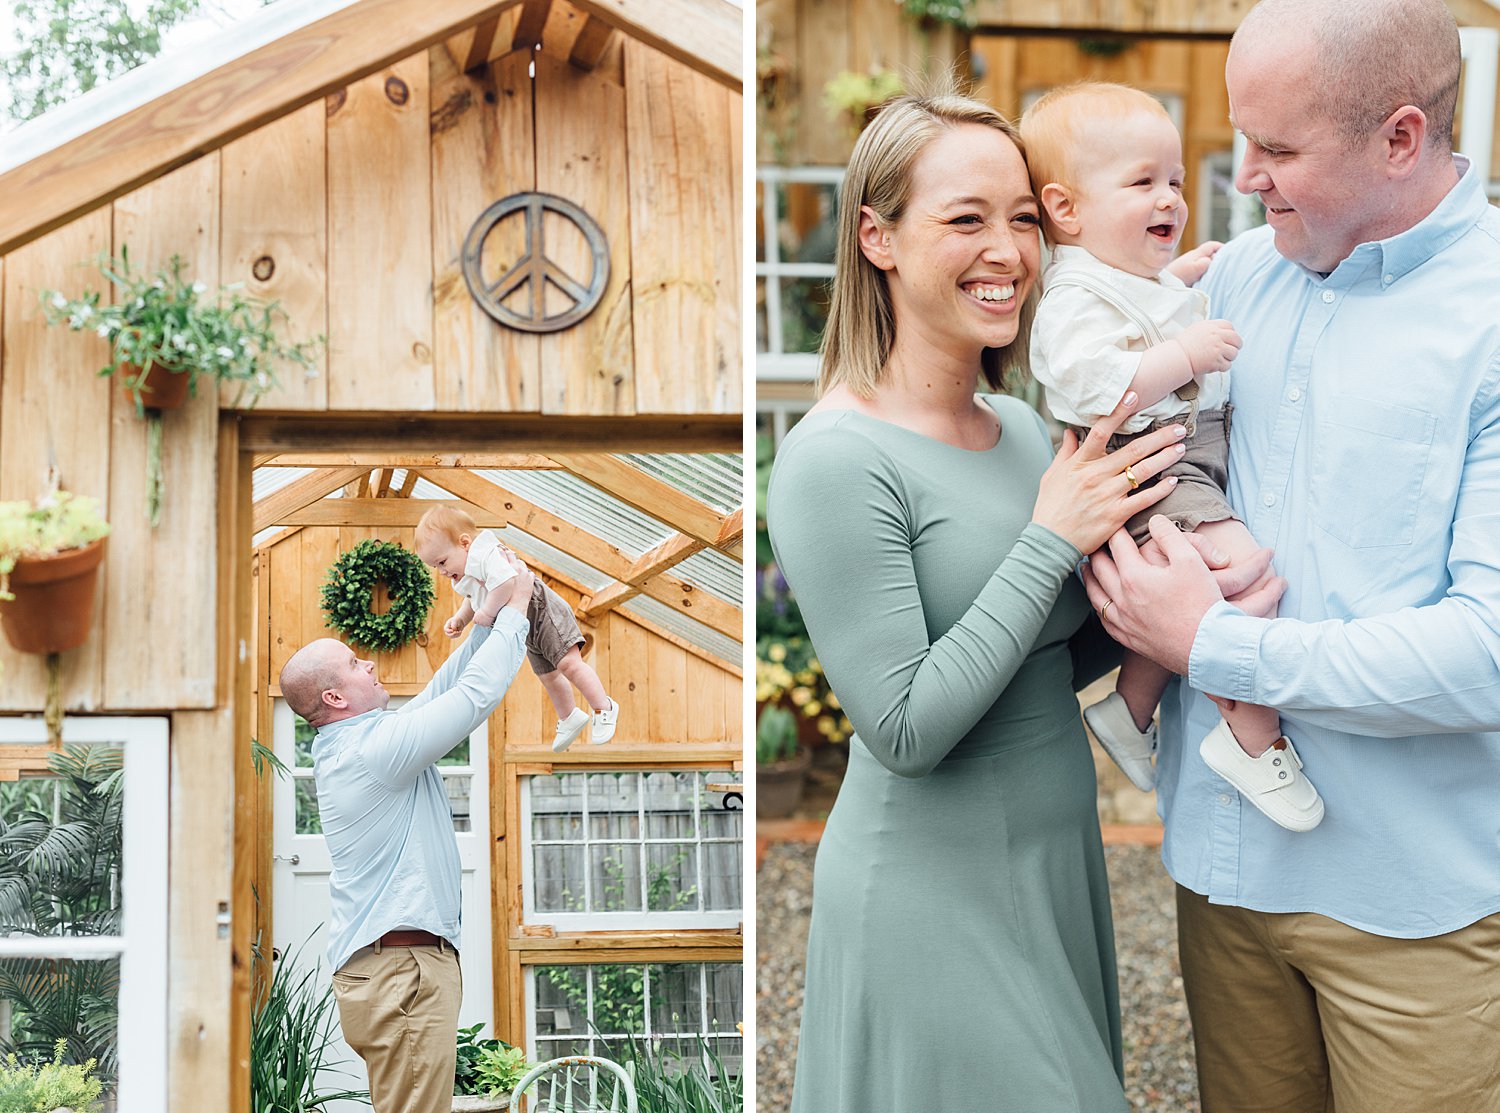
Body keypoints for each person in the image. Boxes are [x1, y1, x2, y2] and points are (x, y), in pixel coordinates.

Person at [766, 86, 1274, 1111]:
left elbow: (1053, 659)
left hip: (1052, 867)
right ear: (877, 237)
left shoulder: (1026, 429)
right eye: (965, 218)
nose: (1008, 250)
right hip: (926, 894)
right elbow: (906, 727)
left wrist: (1186, 598)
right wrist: (1050, 540)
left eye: (1024, 220)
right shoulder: (834, 458)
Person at [1081, 1, 1500, 1109]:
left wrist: (1210, 646)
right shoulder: (1231, 286)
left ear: (1401, 138)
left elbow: (1488, 654)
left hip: (1416, 910)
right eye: (1240, 142)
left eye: (1277, 150)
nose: (1245, 180)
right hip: (1222, 888)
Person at [1020, 81, 1323, 831]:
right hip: (1151, 462)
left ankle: (1130, 707)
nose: (1170, 198)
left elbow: (1134, 310)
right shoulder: (1068, 298)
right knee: (1243, 578)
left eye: (1176, 180)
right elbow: (1100, 384)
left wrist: (1177, 282)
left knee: (1185, 598)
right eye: (1143, 182)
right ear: (1066, 210)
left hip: (1181, 455)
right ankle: (1254, 738)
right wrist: (1185, 348)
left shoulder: (1122, 278)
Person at [277, 551, 534, 1113]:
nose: (368, 662)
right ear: (334, 698)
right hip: (403, 974)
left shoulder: (366, 742)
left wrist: (487, 618)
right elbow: (471, 700)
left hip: (400, 970)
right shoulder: (371, 752)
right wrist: (518, 610)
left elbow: (443, 691)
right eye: (352, 662)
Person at [415, 505, 618, 752]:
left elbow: (506, 582)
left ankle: (603, 707)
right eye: (436, 567)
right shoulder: (468, 570)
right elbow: (473, 598)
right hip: (524, 622)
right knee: (548, 675)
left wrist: (488, 612)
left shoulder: (487, 554)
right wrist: (460, 619)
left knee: (569, 664)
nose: (443, 571)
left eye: (443, 562)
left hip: (541, 608)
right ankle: (569, 717)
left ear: (465, 543)